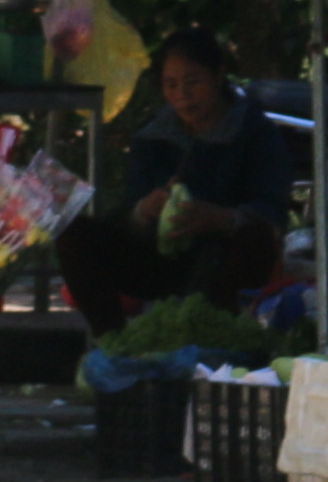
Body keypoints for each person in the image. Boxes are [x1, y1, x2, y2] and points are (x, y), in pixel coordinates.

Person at [52, 28, 291, 333]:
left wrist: (219, 219)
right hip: (160, 260)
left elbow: (273, 214)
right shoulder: (152, 136)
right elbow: (128, 210)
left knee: (253, 238)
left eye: (193, 83)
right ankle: (115, 344)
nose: (182, 95)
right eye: (171, 85)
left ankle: (210, 336)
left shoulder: (256, 133)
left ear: (218, 76)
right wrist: (144, 210)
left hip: (224, 262)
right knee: (74, 235)